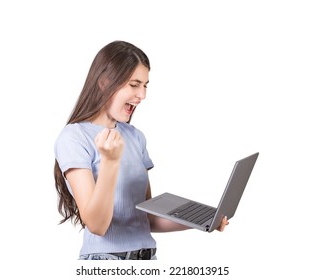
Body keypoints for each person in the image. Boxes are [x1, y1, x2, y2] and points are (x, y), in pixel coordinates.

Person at [54, 40, 229, 260]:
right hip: (106, 261)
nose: (142, 95)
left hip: (148, 260)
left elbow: (148, 218)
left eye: (145, 85)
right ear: (105, 82)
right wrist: (110, 162)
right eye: (134, 84)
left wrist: (203, 221)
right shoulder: (74, 137)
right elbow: (96, 225)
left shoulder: (135, 137)